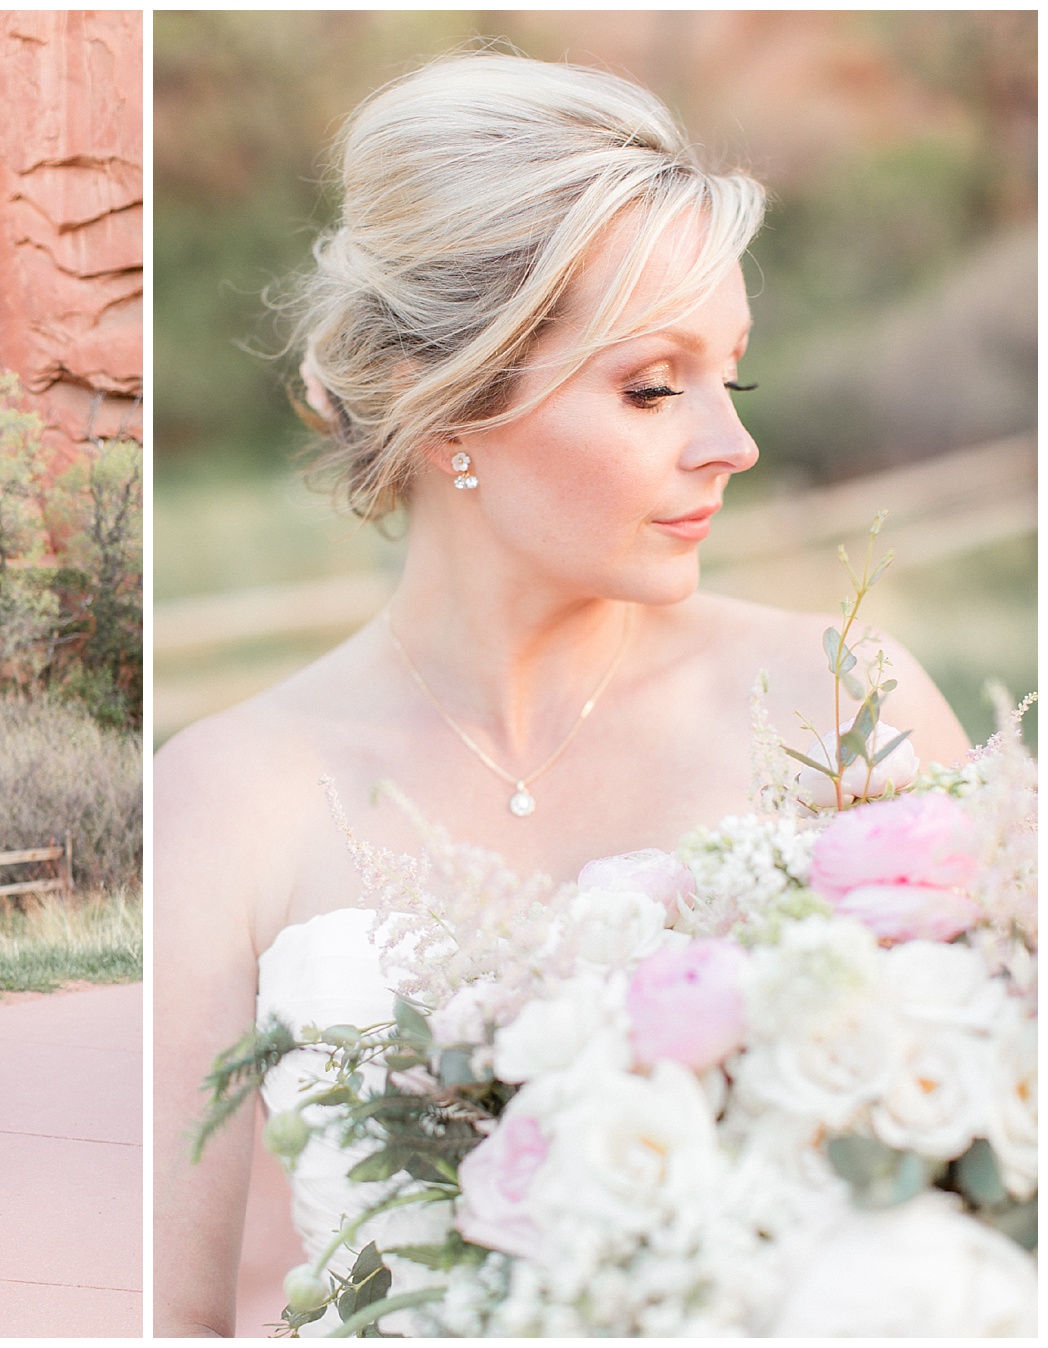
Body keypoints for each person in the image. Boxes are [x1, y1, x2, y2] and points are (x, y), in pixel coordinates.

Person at [151, 51, 970, 1336]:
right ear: (452, 408)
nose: (731, 441)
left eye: (731, 374)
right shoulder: (223, 799)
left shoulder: (843, 706)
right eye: (653, 386)